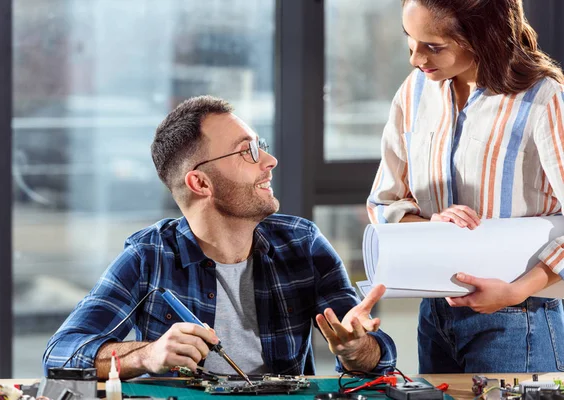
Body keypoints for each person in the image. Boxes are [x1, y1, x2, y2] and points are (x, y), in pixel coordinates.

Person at [43, 95, 396, 379]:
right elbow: (62, 353)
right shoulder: (149, 256)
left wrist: (356, 349)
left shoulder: (302, 243)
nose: (270, 160)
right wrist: (148, 355)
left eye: (261, 146)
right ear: (200, 183)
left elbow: (372, 359)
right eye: (248, 151)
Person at [367, 0, 564, 373]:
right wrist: (433, 226)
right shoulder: (415, 92)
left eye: (433, 46)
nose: (415, 59)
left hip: (519, 315)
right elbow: (383, 203)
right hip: (434, 312)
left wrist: (517, 291)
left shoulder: (543, 98)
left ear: (480, 37)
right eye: (410, 41)